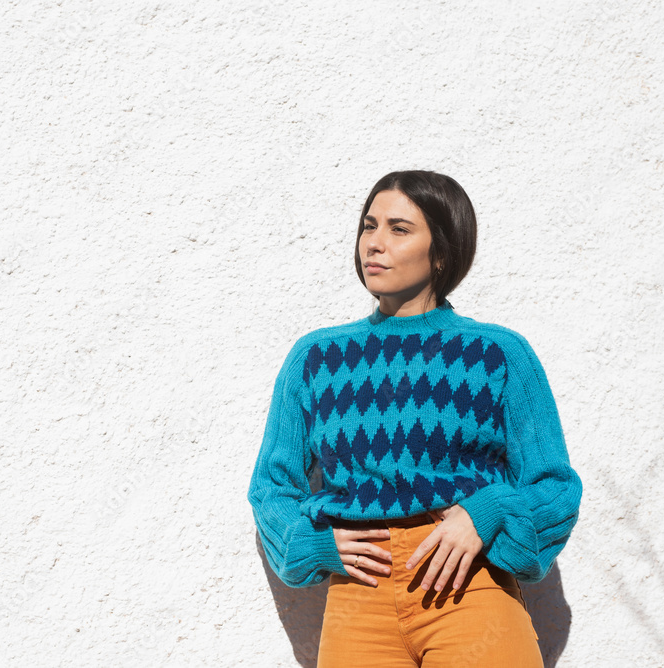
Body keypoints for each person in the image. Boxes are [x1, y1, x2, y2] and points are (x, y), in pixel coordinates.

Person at [246, 170, 582, 667]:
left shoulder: (497, 353)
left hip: (469, 587)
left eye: (399, 229)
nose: (374, 244)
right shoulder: (316, 358)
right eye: (369, 226)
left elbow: (554, 485)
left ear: (442, 251)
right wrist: (313, 545)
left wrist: (485, 513)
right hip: (359, 598)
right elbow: (271, 486)